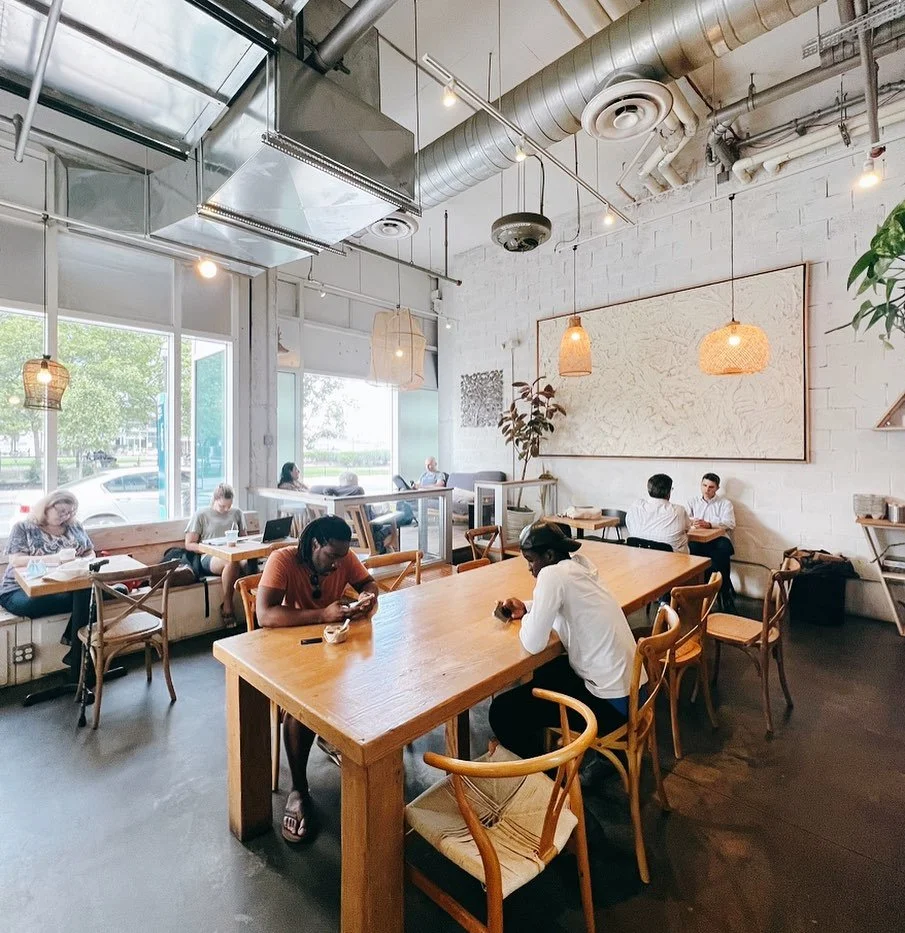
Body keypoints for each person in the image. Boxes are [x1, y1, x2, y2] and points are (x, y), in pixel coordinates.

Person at [257, 515, 379, 843]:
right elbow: (264, 615)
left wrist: (368, 598)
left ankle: (340, 737)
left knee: (375, 678)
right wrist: (321, 614)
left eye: (342, 557)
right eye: (332, 557)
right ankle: (298, 789)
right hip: (290, 651)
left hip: (333, 647)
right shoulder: (282, 560)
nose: (339, 564)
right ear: (314, 545)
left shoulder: (342, 556)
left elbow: (368, 583)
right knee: (299, 709)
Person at [488, 522, 646, 760]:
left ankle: (550, 779)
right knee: (547, 671)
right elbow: (564, 607)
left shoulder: (551, 575)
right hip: (635, 694)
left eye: (531, 560)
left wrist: (530, 617)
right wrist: (528, 607)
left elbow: (533, 643)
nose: (530, 569)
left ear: (549, 555)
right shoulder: (579, 566)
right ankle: (546, 753)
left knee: (502, 711)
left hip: (612, 708)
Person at [0, 490, 95, 673]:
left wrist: (85, 560)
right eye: (61, 512)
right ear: (46, 508)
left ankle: (76, 657)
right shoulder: (24, 527)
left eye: (69, 512)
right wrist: (56, 558)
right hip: (20, 591)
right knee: (90, 597)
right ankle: (81, 659)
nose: (65, 516)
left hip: (66, 587)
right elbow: (16, 560)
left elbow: (90, 551)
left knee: (95, 593)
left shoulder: (74, 526)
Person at [184, 483, 247, 625]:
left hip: (234, 551)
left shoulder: (237, 513)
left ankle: (255, 607)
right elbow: (189, 544)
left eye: (229, 506)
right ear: (215, 499)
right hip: (209, 556)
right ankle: (227, 606)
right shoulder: (202, 514)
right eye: (222, 506)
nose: (226, 510)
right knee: (232, 562)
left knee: (251, 563)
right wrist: (210, 548)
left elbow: (244, 538)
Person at [686, 472, 736, 611]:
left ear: (717, 488)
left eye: (711, 487)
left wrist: (710, 524)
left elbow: (730, 523)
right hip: (698, 538)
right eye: (704, 485)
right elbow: (685, 519)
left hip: (718, 538)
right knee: (691, 549)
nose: (707, 490)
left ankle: (724, 591)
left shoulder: (725, 503)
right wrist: (692, 522)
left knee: (723, 551)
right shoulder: (692, 501)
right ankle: (698, 592)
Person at [626, 473, 690, 553]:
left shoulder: (635, 506)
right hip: (673, 562)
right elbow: (687, 528)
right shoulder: (679, 511)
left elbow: (629, 526)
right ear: (668, 492)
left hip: (638, 560)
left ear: (649, 490)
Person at [337, 471, 399, 554]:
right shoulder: (361, 503)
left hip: (349, 542)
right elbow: (376, 526)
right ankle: (396, 555)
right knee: (391, 524)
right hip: (368, 541)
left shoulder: (337, 503)